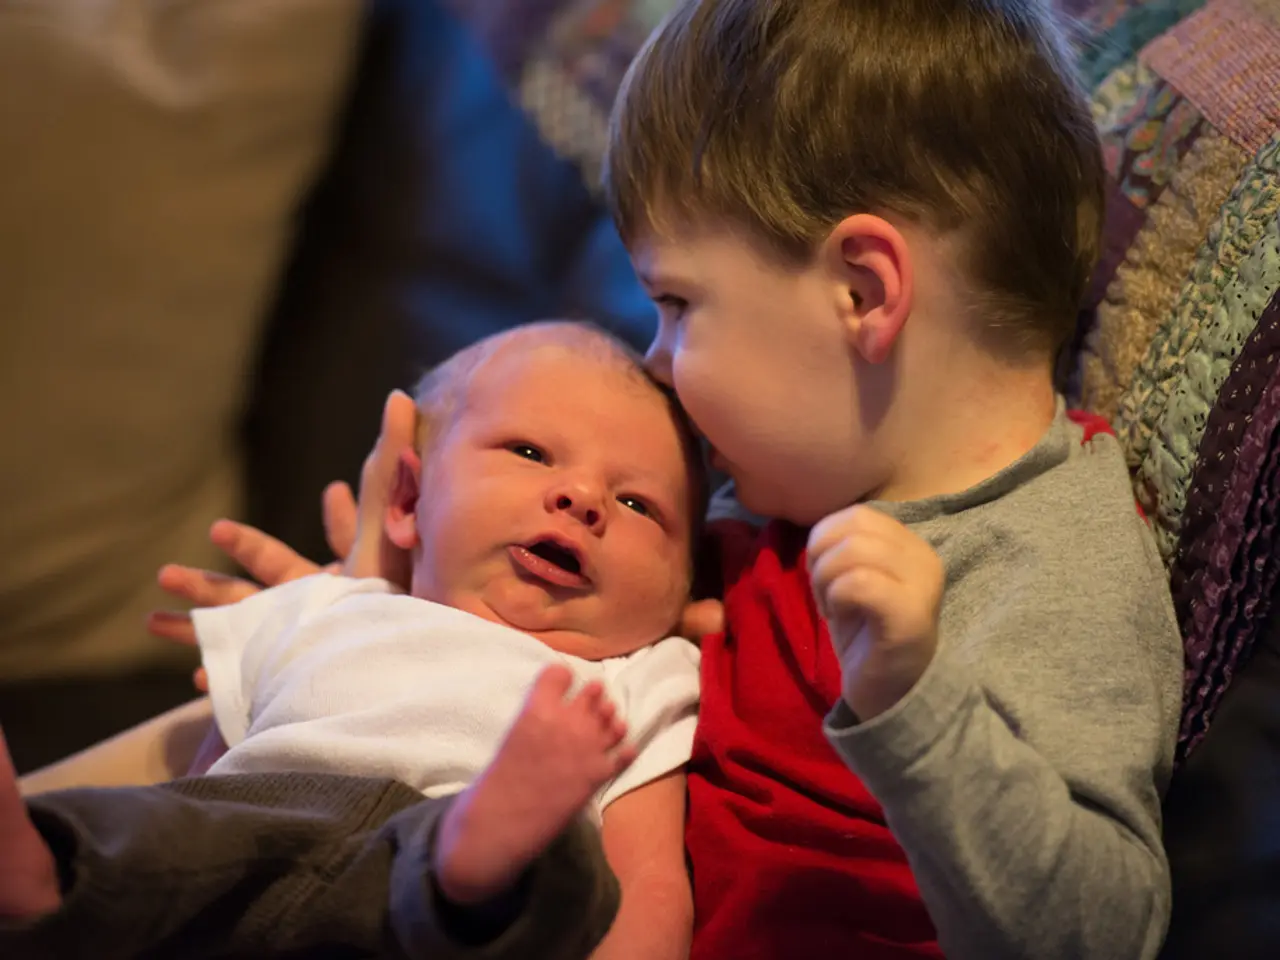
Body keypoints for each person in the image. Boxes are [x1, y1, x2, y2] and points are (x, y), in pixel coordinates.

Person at [21, 0, 1186, 957]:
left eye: (678, 304)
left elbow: (1104, 932)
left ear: (863, 294)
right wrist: (364, 604)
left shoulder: (1051, 559)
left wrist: (911, 700)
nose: (658, 363)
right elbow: (531, 654)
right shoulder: (780, 492)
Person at [1, 322, 705, 959]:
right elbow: (207, 781)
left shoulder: (642, 678)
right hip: (259, 831)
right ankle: (41, 873)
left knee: (560, 878)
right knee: (150, 833)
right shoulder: (318, 609)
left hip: (440, 889)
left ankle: (470, 860)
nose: (582, 498)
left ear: (681, 593)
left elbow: (650, 883)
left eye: (640, 504)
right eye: (530, 451)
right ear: (406, 501)